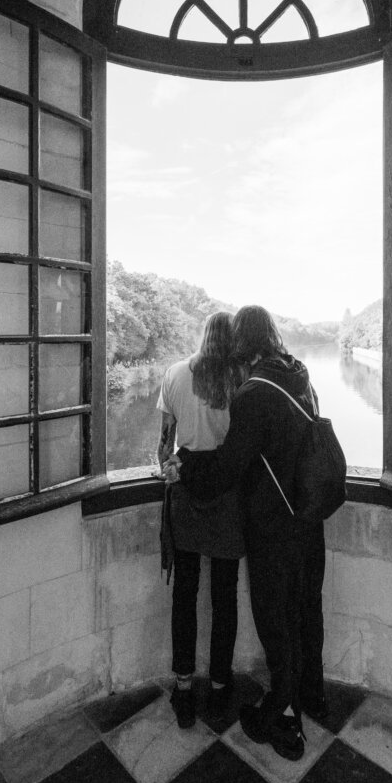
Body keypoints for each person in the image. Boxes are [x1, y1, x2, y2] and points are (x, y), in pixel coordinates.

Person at [163, 305, 326, 761]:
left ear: (243, 343)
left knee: (274, 622)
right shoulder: (300, 374)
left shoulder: (254, 392)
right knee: (302, 612)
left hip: (274, 524)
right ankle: (307, 696)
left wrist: (187, 463)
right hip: (307, 516)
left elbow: (228, 467)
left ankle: (283, 720)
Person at [157, 312, 245, 729]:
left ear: (202, 335)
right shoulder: (242, 381)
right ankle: (223, 685)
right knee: (224, 595)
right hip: (228, 495)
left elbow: (163, 448)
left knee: (185, 594)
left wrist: (174, 466)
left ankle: (184, 686)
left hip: (187, 492)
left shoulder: (174, 374)